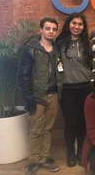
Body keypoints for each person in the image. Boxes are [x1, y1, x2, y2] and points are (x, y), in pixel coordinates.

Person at [18, 18, 62, 175]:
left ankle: (44, 157)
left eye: (54, 29)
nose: (51, 31)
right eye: (48, 28)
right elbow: (23, 76)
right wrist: (28, 99)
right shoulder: (31, 49)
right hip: (37, 96)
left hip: (54, 94)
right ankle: (33, 161)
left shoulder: (57, 50)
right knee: (36, 129)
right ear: (41, 30)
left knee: (48, 128)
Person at [56, 12, 93, 167]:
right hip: (68, 89)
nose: (76, 27)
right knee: (71, 122)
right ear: (69, 24)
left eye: (80, 24)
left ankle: (80, 153)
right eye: (74, 23)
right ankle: (70, 152)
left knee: (84, 122)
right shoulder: (60, 42)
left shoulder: (88, 42)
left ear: (83, 27)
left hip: (86, 87)